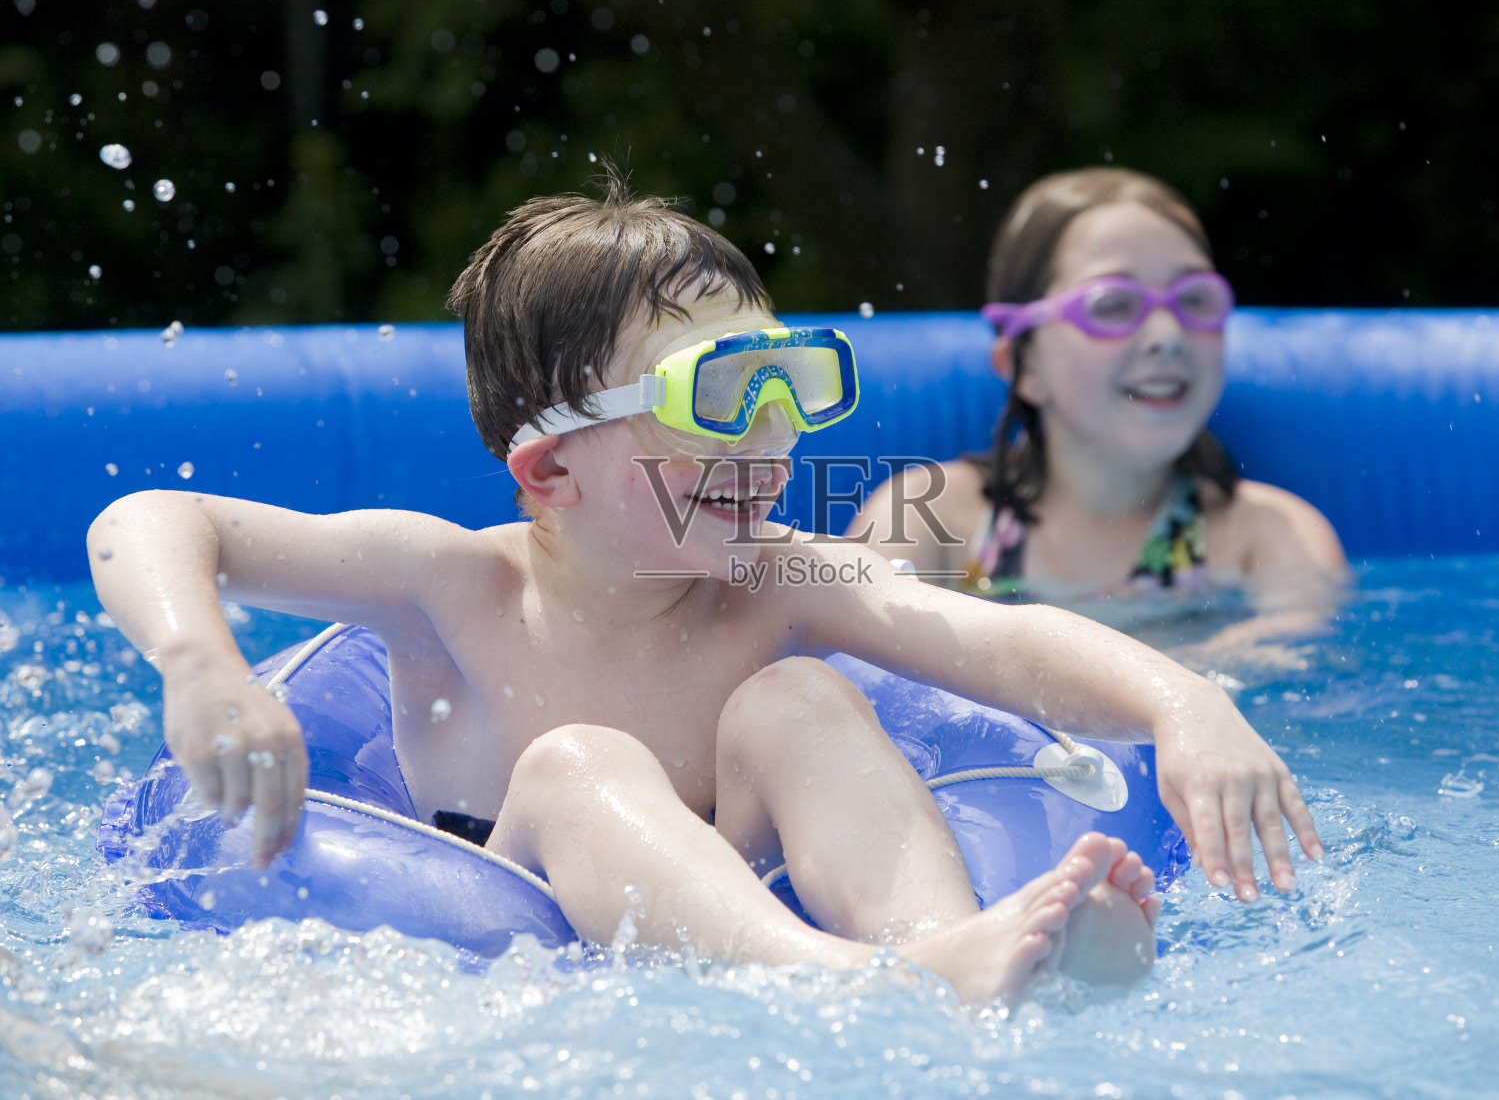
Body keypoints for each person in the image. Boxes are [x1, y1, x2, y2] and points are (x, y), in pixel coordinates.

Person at [87, 178, 1321, 1009]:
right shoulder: (449, 585)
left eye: (787, 384)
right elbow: (152, 517)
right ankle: (875, 990)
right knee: (579, 762)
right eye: (718, 398)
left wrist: (1183, 701)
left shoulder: (770, 583)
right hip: (508, 911)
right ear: (550, 466)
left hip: (724, 899)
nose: (772, 435)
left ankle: (947, 953)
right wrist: (202, 663)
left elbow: (984, 636)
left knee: (798, 700)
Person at [853, 168, 1346, 653]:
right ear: (1024, 368)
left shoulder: (1266, 535)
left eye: (1194, 299)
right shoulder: (931, 518)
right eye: (1112, 306)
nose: (1167, 337)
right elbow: (857, 672)